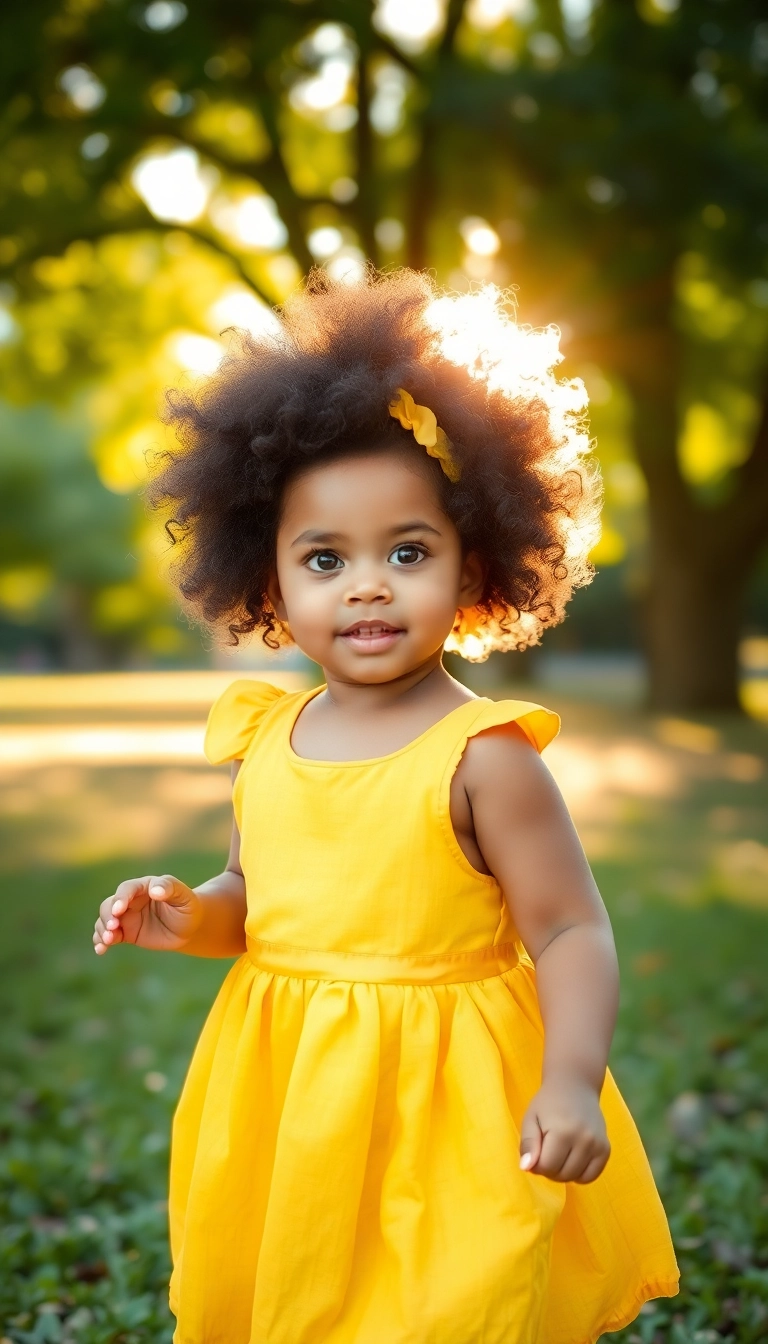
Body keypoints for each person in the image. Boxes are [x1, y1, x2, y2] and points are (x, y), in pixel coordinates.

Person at [92, 269, 678, 1344]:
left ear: (474, 564)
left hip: (447, 1099)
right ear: (268, 581)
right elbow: (252, 893)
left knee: (443, 1306)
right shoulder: (266, 737)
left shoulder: (484, 757)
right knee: (308, 1296)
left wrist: (570, 1081)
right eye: (326, 559)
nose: (367, 585)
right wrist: (190, 913)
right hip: (291, 1093)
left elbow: (568, 926)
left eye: (407, 552)